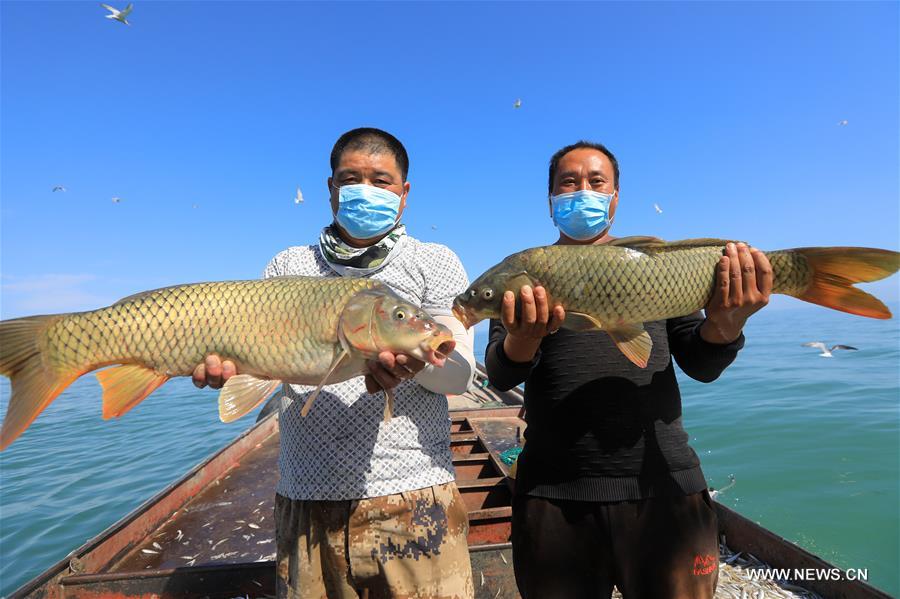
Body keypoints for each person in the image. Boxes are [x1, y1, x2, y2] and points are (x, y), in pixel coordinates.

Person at [193, 128, 476, 599]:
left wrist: (415, 363)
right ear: (331, 188)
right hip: (304, 500)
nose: (366, 189)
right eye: (352, 178)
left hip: (414, 495)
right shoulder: (288, 265)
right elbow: (255, 367)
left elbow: (459, 372)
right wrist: (223, 365)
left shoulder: (434, 260)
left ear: (404, 194)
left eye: (381, 181)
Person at [485, 141, 772, 599]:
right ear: (551, 199)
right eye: (569, 182)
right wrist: (526, 335)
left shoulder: (653, 268)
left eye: (596, 182)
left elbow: (700, 362)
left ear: (615, 198)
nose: (583, 192)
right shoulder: (525, 273)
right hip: (553, 492)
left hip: (664, 485)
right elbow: (500, 374)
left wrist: (727, 321)